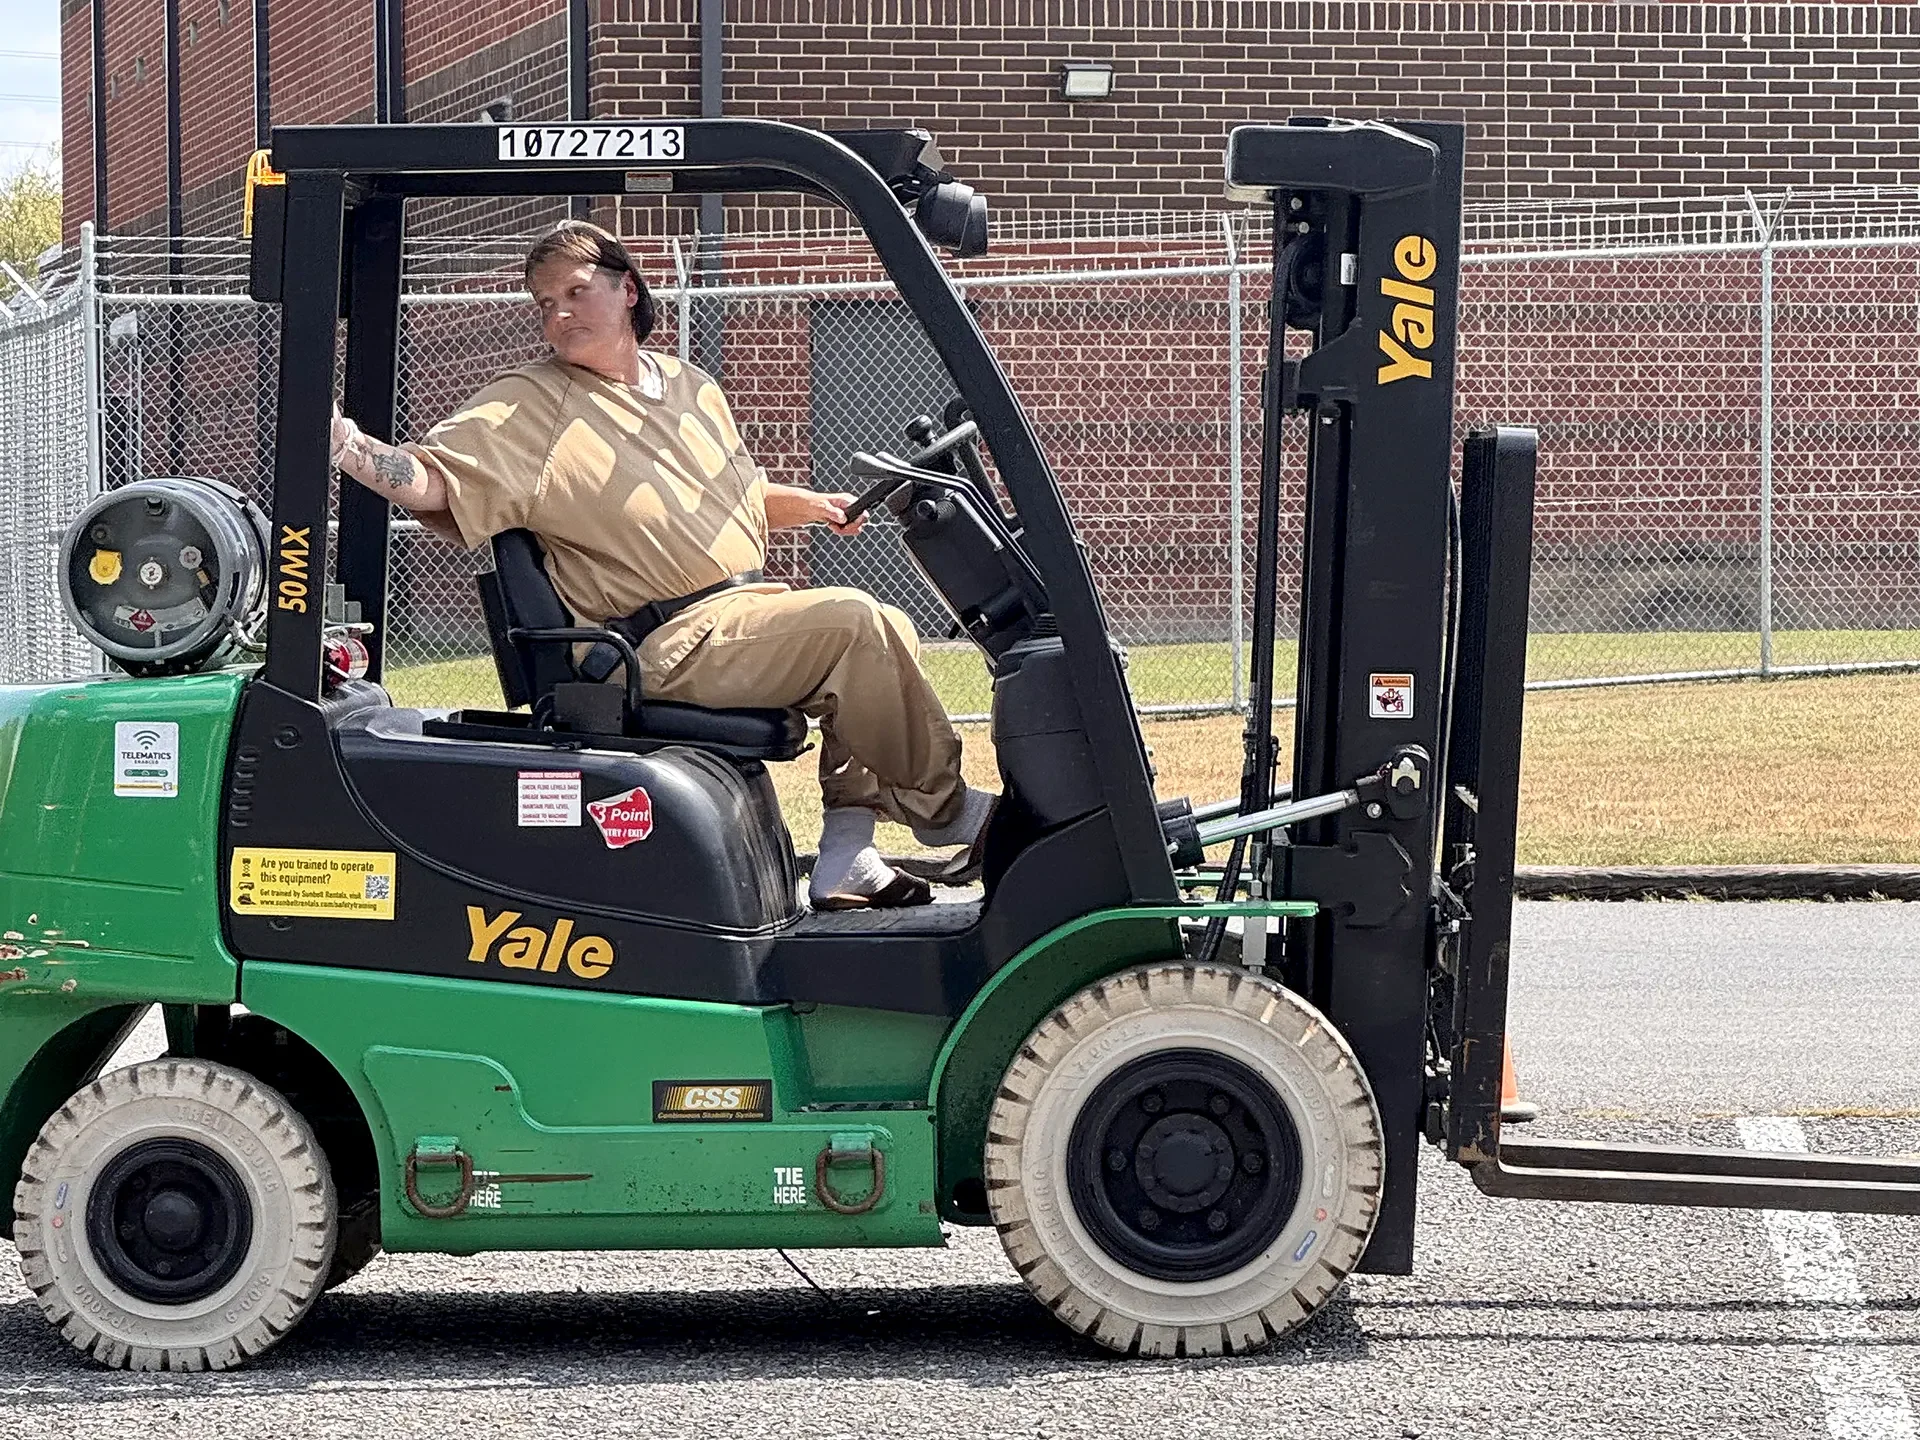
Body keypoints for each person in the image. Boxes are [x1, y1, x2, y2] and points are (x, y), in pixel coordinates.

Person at [328, 219, 993, 909]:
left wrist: (812, 505)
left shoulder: (690, 384)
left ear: (629, 292)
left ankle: (846, 857)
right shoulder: (531, 402)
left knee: (881, 632)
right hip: (653, 643)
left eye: (576, 292)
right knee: (856, 625)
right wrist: (346, 445)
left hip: (738, 610)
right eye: (543, 301)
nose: (558, 313)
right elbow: (432, 478)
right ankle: (946, 811)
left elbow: (731, 497)